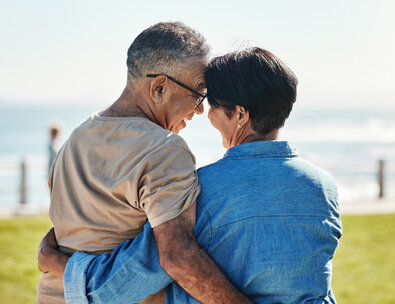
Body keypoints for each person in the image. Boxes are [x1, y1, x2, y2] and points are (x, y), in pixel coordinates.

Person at [39, 47, 343, 303]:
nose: (203, 113)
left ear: (239, 114)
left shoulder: (204, 189)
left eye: (210, 105)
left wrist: (58, 263)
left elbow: (130, 277)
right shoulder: (323, 188)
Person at [36, 22, 251, 304]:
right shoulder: (164, 149)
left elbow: (67, 232)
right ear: (159, 87)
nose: (200, 109)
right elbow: (178, 256)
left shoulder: (75, 139)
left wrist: (49, 258)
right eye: (199, 94)